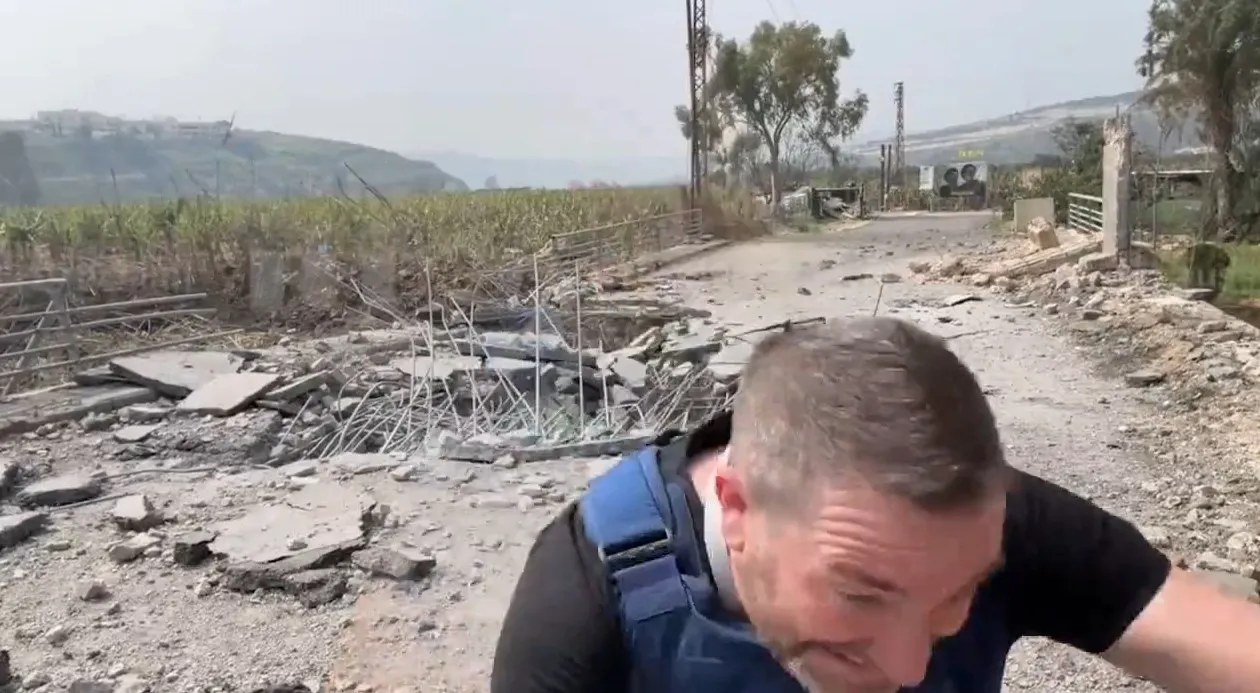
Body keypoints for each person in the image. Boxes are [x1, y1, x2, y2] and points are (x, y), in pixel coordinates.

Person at [492, 317, 1260, 693]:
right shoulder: (586, 596)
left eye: (956, 596)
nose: (906, 666)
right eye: (860, 593)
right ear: (737, 509)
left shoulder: (975, 526)